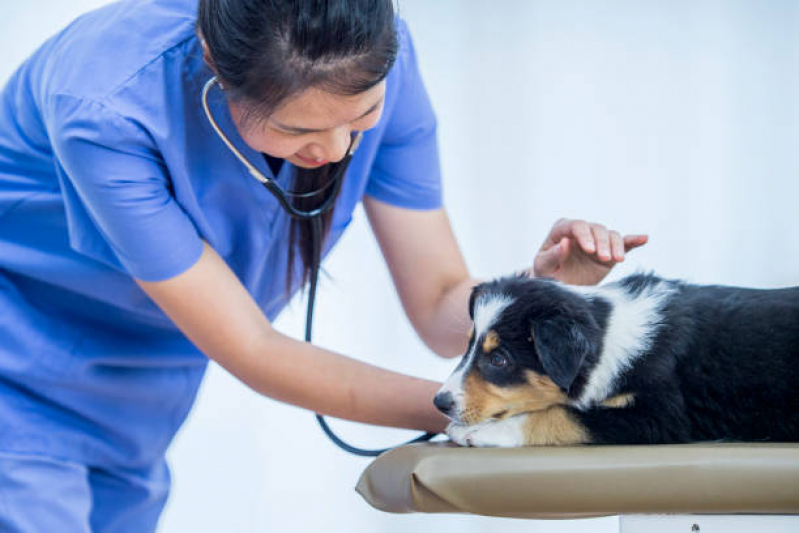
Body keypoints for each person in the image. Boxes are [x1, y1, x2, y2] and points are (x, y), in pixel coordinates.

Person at [0, 0, 647, 530]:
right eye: (294, 131)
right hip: (18, 380)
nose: (336, 149)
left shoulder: (375, 54)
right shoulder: (105, 103)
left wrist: (530, 306)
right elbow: (254, 349)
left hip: (140, 406)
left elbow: (439, 299)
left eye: (361, 117)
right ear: (213, 69)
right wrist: (477, 410)